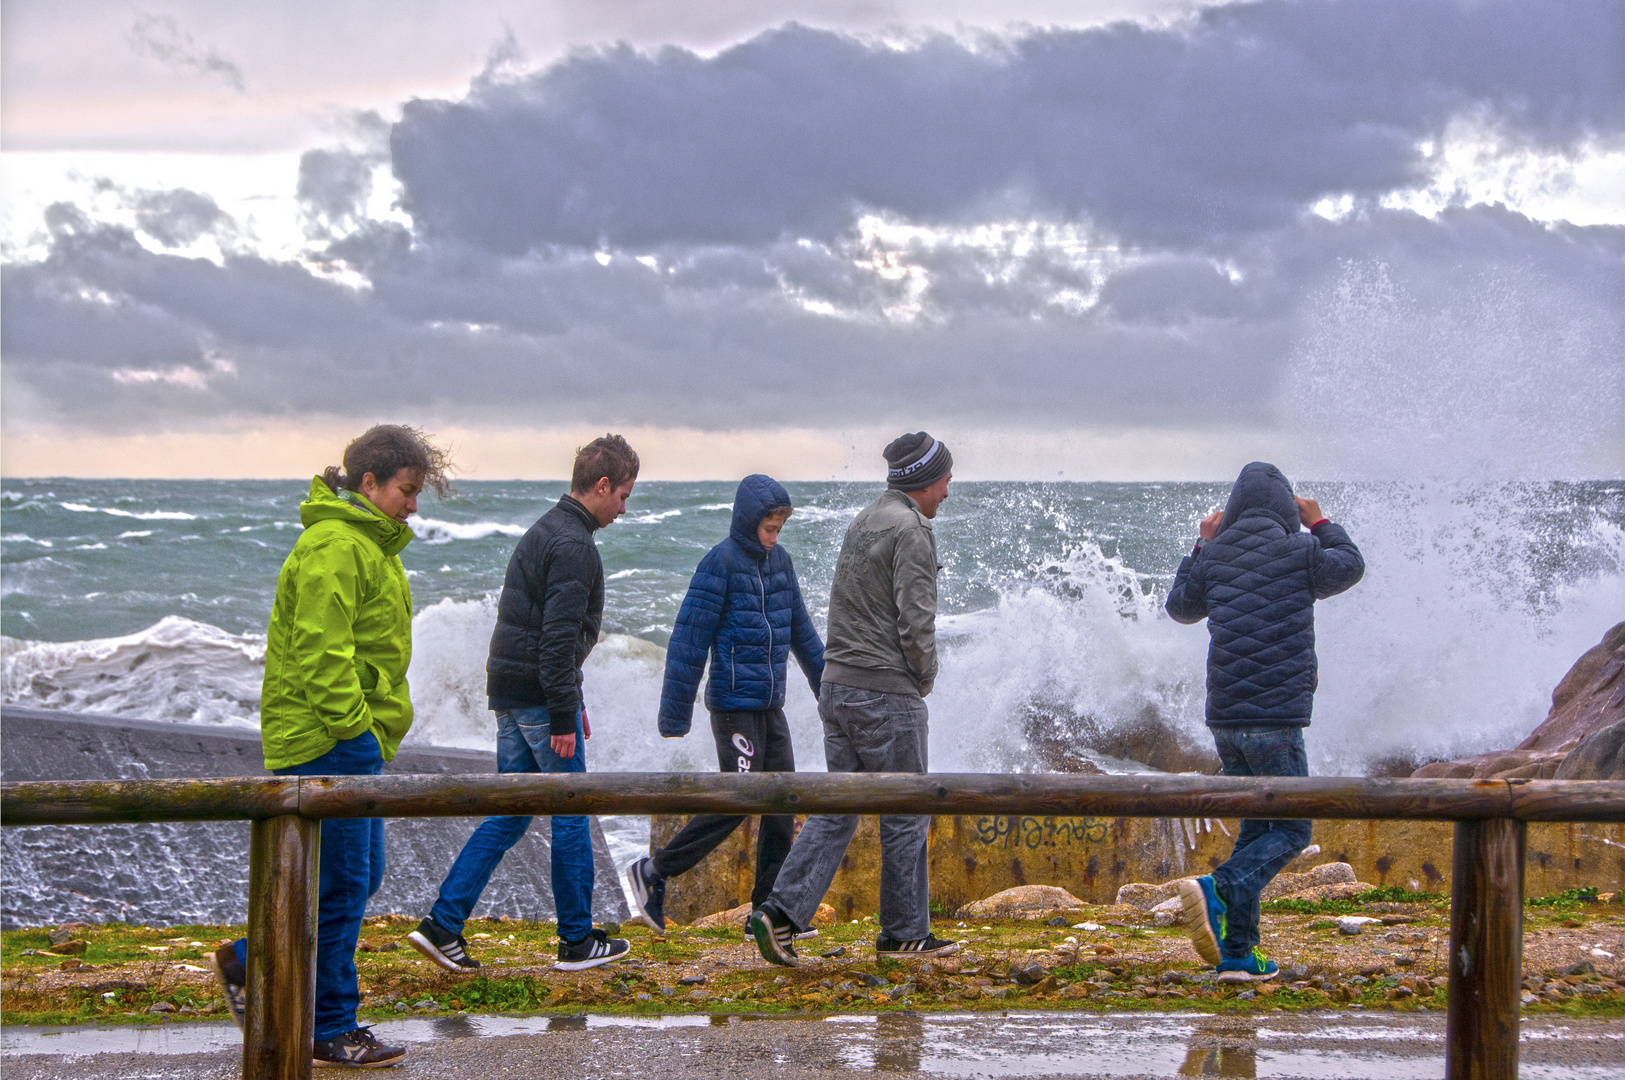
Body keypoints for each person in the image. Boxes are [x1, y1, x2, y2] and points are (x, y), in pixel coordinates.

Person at [209, 424, 453, 1069]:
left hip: (344, 740)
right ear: (367, 482)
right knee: (345, 882)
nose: (413, 505)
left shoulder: (363, 544)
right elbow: (324, 656)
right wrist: (357, 731)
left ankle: (247, 957)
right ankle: (330, 1024)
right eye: (405, 490)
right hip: (328, 742)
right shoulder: (336, 547)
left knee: (355, 877)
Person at [407, 435, 639, 973]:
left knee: (510, 813)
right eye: (623, 495)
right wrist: (563, 713)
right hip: (540, 701)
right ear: (601, 487)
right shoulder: (575, 545)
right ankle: (577, 941)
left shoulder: (545, 529)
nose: (624, 509)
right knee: (572, 811)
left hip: (510, 694)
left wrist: (560, 700)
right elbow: (557, 640)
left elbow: (532, 632)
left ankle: (443, 925)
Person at [747, 432, 962, 966]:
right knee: (907, 811)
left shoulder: (865, 520)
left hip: (837, 687)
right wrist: (924, 679)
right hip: (884, 691)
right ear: (923, 481)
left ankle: (778, 916)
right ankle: (904, 932)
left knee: (838, 809)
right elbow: (917, 621)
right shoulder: (911, 530)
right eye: (945, 482)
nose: (947, 493)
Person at [1165, 461, 1365, 982]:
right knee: (1294, 829)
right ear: (1286, 509)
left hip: (1226, 721)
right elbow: (1349, 566)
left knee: (1256, 831)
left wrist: (1201, 545)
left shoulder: (1217, 557)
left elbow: (1181, 608)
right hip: (1276, 720)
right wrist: (1320, 522)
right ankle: (1219, 888)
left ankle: (1238, 954)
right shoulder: (1302, 551)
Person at [623, 475, 825, 930]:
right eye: (769, 528)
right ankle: (654, 871)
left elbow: (803, 633)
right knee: (737, 799)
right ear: (749, 521)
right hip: (733, 705)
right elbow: (688, 641)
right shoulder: (720, 563)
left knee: (783, 801)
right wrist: (675, 713)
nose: (774, 539)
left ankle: (769, 909)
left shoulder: (781, 563)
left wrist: (828, 689)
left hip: (770, 705)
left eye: (779, 530)